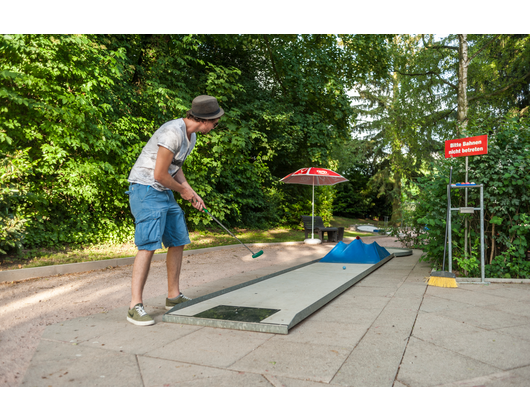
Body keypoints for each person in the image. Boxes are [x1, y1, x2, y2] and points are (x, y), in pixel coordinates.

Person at [125, 95, 224, 326]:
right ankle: (134, 305)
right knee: (148, 245)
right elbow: (159, 174)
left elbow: (175, 168)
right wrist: (183, 192)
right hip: (146, 188)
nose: (215, 126)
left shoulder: (192, 136)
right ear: (205, 119)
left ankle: (173, 296)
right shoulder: (172, 132)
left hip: (164, 190)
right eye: (216, 122)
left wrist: (190, 190)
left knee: (177, 239)